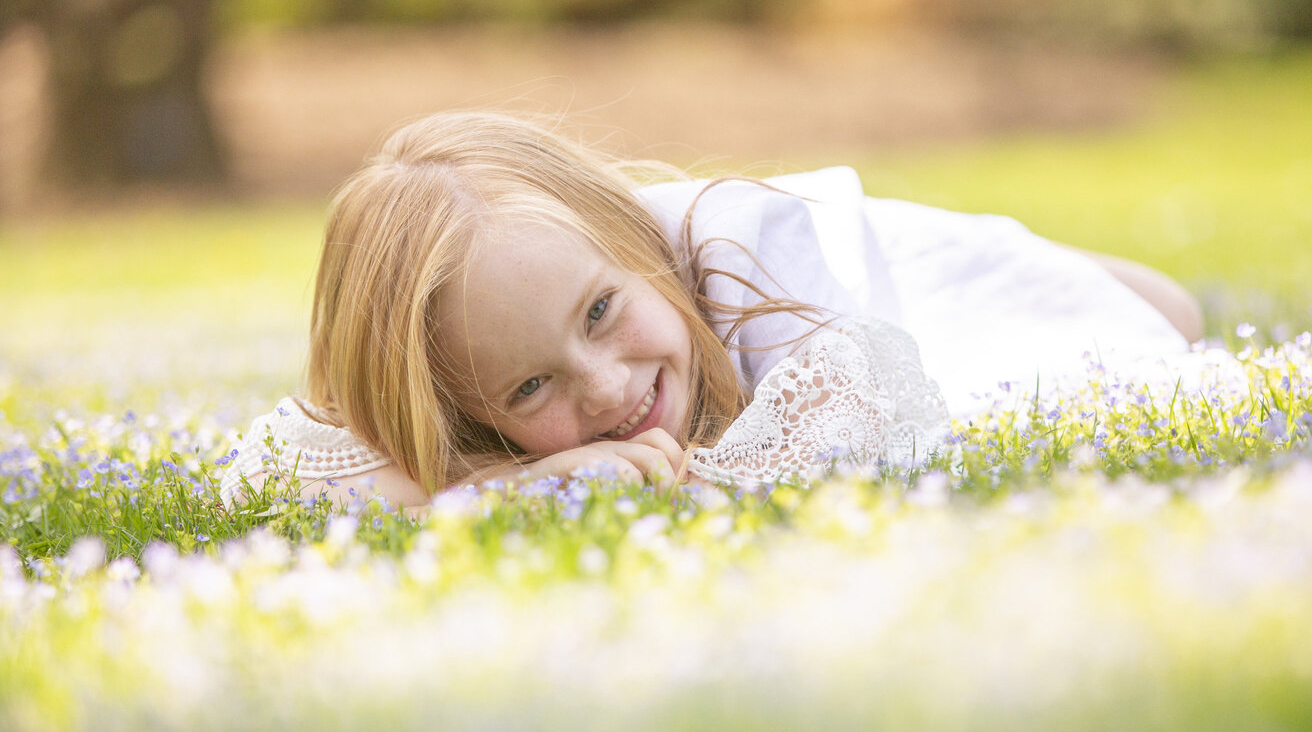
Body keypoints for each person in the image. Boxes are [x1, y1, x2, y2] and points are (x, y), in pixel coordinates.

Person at [221, 111, 1218, 507]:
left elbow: (823, 463)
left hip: (900, 287)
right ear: (468, 405)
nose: (609, 387)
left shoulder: (750, 260)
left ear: (636, 243)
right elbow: (269, 481)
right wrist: (517, 481)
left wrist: (564, 480)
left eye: (602, 311)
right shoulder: (443, 371)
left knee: (1161, 315)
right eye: (531, 385)